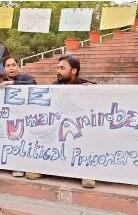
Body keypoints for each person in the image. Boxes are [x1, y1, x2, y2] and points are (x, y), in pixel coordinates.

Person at [52, 55, 97, 188]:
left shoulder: (85, 85)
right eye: (58, 68)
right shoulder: (55, 86)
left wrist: (93, 91)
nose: (58, 71)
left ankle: (87, 173)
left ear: (73, 71)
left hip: (80, 131)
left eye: (62, 68)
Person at [0, 56, 38, 178]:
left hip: (28, 119)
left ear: (18, 66)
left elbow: (34, 85)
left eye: (13, 65)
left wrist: (12, 83)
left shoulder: (26, 78)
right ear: (4, 69)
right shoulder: (2, 83)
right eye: (8, 66)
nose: (11, 68)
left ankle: (21, 166)